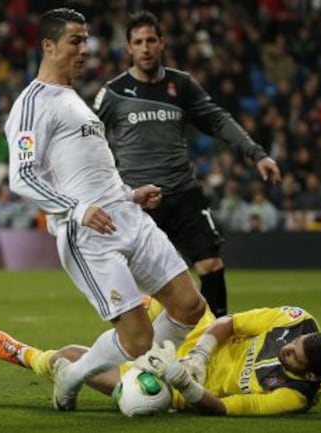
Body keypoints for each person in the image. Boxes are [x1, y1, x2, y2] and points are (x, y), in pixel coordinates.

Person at [3, 8, 206, 412]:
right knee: (137, 338)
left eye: (86, 40)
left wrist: (131, 196)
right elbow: (21, 176)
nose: (85, 50)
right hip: (89, 233)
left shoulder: (74, 100)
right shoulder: (32, 104)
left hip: (127, 215)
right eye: (75, 41)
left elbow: (88, 172)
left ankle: (142, 372)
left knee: (190, 305)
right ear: (48, 45)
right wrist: (77, 210)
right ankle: (72, 374)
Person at [92, 11, 282, 317]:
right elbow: (89, 139)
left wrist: (257, 153)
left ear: (162, 43)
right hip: (137, 202)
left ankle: (217, 338)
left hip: (182, 193)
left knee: (211, 265)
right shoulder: (112, 92)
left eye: (151, 40)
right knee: (144, 283)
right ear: (128, 48)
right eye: (138, 42)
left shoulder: (181, 85)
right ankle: (149, 349)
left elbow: (217, 119)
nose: (145, 48)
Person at [0, 302, 321, 416]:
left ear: (309, 375)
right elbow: (229, 322)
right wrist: (201, 352)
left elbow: (222, 409)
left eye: (294, 358)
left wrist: (183, 379)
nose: (288, 349)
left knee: (76, 359)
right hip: (199, 339)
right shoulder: (294, 322)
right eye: (296, 344)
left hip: (183, 389)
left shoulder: (292, 396)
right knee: (161, 295)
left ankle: (28, 356)